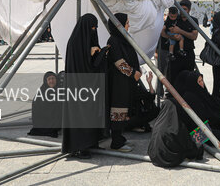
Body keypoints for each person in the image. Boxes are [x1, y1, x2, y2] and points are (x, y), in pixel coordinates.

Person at [62, 14, 106, 158]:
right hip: (77, 88)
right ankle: (80, 147)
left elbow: (93, 66)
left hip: (89, 87)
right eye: (92, 27)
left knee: (91, 115)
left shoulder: (86, 40)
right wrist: (89, 52)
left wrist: (100, 52)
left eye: (96, 28)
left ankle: (91, 143)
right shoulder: (75, 43)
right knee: (80, 117)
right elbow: (82, 66)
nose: (94, 30)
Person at [107, 13, 141, 152]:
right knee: (118, 109)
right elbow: (119, 62)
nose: (129, 25)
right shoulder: (114, 41)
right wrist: (133, 73)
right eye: (126, 22)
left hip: (125, 81)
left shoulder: (122, 39)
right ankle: (116, 142)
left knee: (124, 109)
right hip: (118, 83)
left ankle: (120, 138)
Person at [147, 97, 202, 167]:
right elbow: (187, 145)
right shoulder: (177, 126)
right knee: (197, 146)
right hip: (169, 160)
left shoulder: (157, 123)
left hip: (154, 156)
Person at [180, 70, 220, 144]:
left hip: (206, 123)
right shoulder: (190, 97)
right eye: (199, 82)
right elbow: (203, 114)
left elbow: (213, 100)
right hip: (195, 128)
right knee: (218, 136)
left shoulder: (200, 91)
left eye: (202, 80)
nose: (202, 83)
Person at [168, 0, 199, 80]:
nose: (182, 11)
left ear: (189, 10)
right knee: (174, 78)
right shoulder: (175, 19)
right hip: (175, 53)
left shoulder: (193, 21)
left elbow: (194, 36)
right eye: (181, 9)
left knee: (188, 78)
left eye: (184, 9)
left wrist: (180, 31)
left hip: (188, 53)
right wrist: (173, 37)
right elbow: (165, 33)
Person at [28, 71, 61, 138]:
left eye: (53, 78)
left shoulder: (60, 90)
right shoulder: (41, 93)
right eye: (49, 79)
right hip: (43, 122)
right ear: (45, 81)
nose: (51, 81)